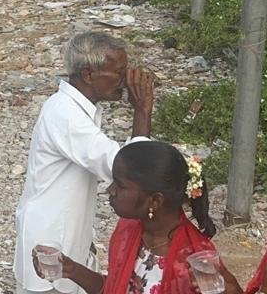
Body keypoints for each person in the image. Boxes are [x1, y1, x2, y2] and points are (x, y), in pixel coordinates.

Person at [14, 31, 155, 294]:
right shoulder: (66, 115)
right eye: (119, 72)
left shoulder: (73, 108)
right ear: (89, 74)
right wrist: (142, 111)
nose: (125, 80)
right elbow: (128, 167)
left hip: (65, 233)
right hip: (51, 243)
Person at [41, 141, 222, 294]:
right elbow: (115, 288)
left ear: (155, 201)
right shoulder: (129, 229)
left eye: (120, 185)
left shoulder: (195, 258)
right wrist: (71, 270)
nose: (110, 190)